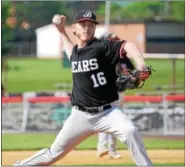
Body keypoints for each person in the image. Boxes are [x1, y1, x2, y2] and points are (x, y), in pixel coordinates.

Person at [14, 10, 152, 166]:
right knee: (53, 154)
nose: (87, 28)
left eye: (91, 25)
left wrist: (141, 65)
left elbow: (129, 46)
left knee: (130, 131)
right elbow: (70, 51)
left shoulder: (102, 46)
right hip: (80, 115)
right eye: (83, 24)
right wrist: (60, 30)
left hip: (108, 112)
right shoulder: (76, 53)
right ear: (74, 28)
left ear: (94, 29)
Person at [96, 33, 135, 159]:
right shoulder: (105, 56)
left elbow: (133, 73)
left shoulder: (124, 58)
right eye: (113, 39)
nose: (116, 42)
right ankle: (102, 147)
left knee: (116, 121)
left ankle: (112, 150)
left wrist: (132, 78)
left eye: (117, 39)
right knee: (105, 119)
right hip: (107, 92)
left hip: (120, 93)